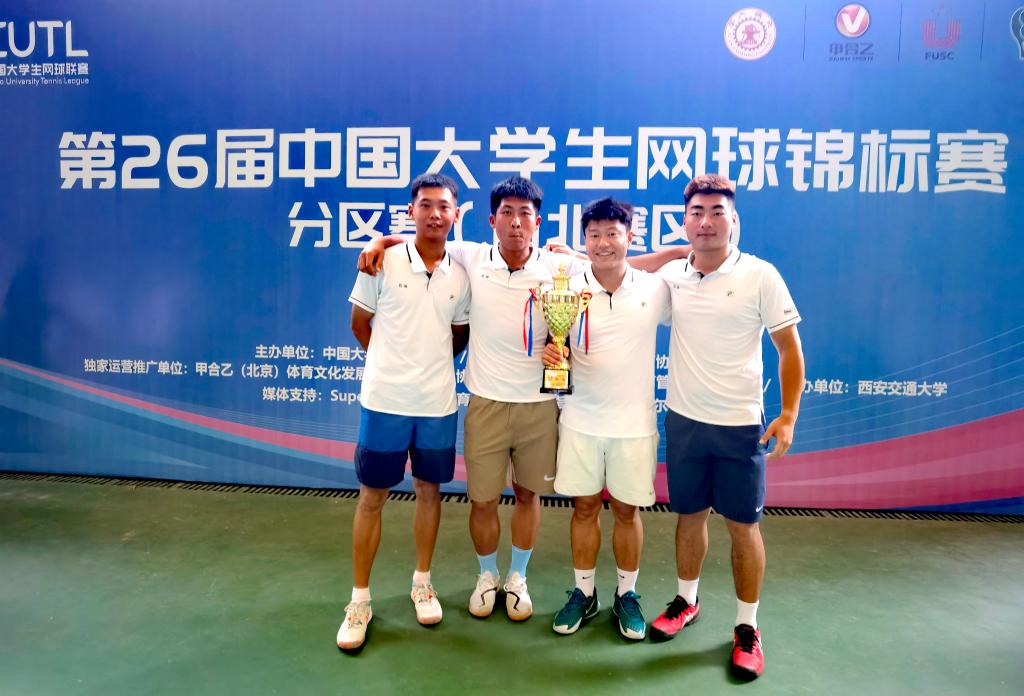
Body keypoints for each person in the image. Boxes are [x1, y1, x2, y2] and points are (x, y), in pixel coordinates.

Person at [357, 177, 686, 623]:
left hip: (539, 406)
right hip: (486, 403)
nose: (516, 222)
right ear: (491, 220)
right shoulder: (471, 257)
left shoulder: (559, 266)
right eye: (507, 213)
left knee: (529, 497)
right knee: (482, 501)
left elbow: (617, 260)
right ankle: (487, 576)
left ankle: (517, 577)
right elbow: (424, 240)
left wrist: (679, 252)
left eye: (525, 214)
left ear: (538, 222)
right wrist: (380, 240)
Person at [651, 174, 804, 680]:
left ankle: (747, 627)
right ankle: (686, 601)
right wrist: (577, 257)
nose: (707, 221)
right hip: (685, 423)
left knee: (743, 528)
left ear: (734, 220)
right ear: (685, 220)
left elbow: (789, 350)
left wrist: (788, 415)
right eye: (697, 212)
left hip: (740, 428)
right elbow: (625, 269)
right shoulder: (673, 275)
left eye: (718, 212)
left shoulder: (760, 275)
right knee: (689, 517)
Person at [336, 173, 471, 651]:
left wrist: (427, 366)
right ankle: (359, 601)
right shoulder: (382, 261)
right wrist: (390, 364)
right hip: (384, 403)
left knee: (429, 493)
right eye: (425, 205)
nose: (435, 214)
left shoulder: (462, 272)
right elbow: (360, 324)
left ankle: (422, 583)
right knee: (371, 498)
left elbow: (458, 336)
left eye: (444, 206)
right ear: (411, 211)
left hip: (437, 405)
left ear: (456, 214)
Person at [541, 198, 669, 641]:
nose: (602, 243)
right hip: (580, 420)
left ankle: (626, 594)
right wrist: (552, 353)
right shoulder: (565, 289)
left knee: (627, 512)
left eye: (612, 234)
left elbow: (688, 253)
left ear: (630, 237)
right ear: (584, 239)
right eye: (593, 235)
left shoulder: (654, 288)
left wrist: (583, 255)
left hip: (634, 426)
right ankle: (584, 592)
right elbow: (554, 342)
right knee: (584, 508)